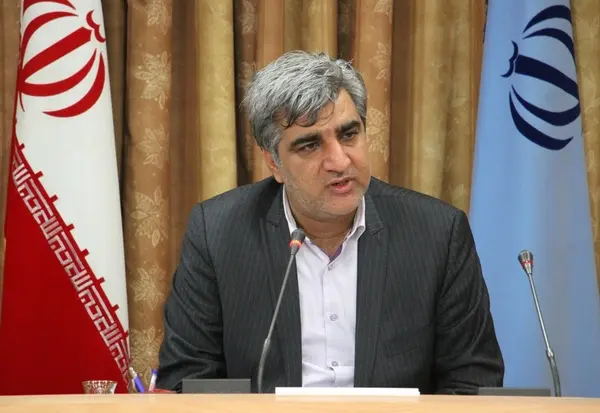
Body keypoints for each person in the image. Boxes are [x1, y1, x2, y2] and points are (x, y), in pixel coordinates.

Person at [156, 51, 504, 394]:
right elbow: (188, 382)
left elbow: (473, 384)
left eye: (349, 134)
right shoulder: (218, 233)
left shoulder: (437, 233)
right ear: (274, 163)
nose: (339, 161)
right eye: (310, 146)